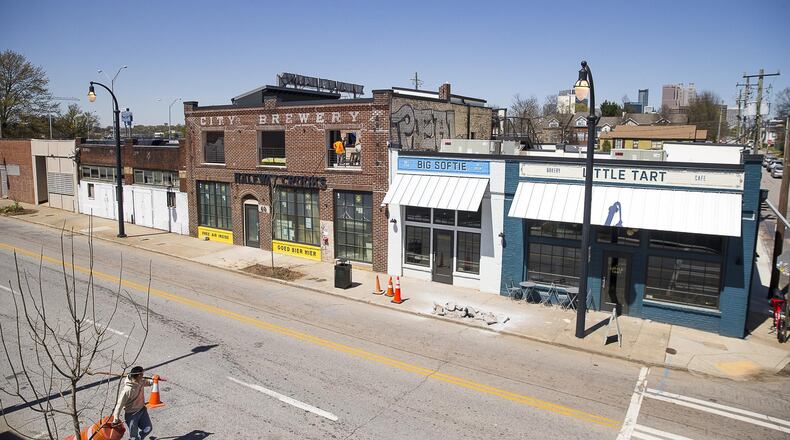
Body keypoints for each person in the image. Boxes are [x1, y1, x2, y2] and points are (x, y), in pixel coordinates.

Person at [111, 366, 163, 440]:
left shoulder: (140, 381)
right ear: (139, 375)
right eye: (142, 374)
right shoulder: (127, 390)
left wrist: (154, 380)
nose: (143, 375)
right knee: (134, 437)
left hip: (142, 410)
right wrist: (115, 419)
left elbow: (148, 382)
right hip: (131, 415)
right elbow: (119, 405)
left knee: (148, 428)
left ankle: (140, 437)